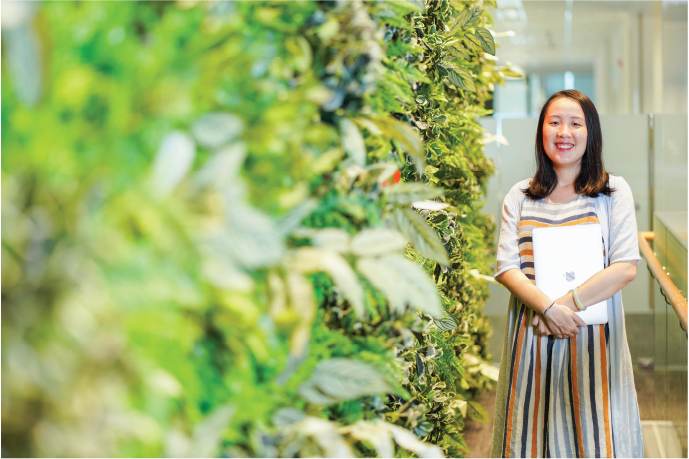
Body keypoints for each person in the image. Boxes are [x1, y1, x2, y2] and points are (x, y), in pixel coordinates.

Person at [490, 90, 644, 458]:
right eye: (554, 122)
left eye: (575, 123)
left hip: (593, 340)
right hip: (533, 338)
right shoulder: (521, 195)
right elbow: (506, 268)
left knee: (595, 434)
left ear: (590, 133)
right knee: (529, 434)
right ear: (542, 131)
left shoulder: (612, 191)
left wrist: (564, 306)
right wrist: (547, 310)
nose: (564, 132)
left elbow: (625, 266)